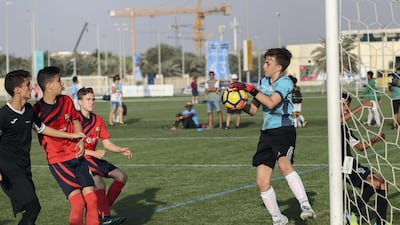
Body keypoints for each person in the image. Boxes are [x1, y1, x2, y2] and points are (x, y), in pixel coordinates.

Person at [232, 48, 316, 225]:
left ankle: (305, 205)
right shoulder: (263, 81)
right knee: (262, 181)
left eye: (267, 63)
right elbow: (254, 110)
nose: (264, 66)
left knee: (285, 165)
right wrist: (239, 104)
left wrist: (249, 89)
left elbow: (271, 102)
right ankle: (278, 219)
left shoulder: (285, 82)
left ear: (278, 67)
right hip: (266, 133)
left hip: (284, 130)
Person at [0, 70, 85, 225]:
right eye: (27, 85)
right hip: (8, 168)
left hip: (24, 167)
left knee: (31, 210)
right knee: (33, 207)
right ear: (17, 90)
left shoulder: (29, 111)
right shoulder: (3, 115)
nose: (32, 87)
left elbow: (43, 128)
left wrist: (71, 135)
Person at [32, 66, 99, 225]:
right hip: (59, 160)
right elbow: (44, 131)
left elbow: (76, 121)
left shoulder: (66, 100)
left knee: (92, 198)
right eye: (59, 80)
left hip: (77, 154)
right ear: (48, 85)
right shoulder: (37, 111)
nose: (62, 83)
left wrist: (81, 142)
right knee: (78, 203)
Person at [77, 87, 132, 225]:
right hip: (80, 160)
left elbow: (106, 144)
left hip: (94, 159)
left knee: (122, 176)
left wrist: (120, 150)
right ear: (80, 102)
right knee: (99, 181)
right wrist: (93, 152)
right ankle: (106, 217)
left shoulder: (98, 119)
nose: (92, 102)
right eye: (88, 99)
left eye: (93, 99)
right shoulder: (75, 121)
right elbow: (73, 148)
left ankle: (101, 210)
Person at [341, 93, 388, 225]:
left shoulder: (346, 127)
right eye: (345, 105)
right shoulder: (335, 122)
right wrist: (361, 106)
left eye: (348, 106)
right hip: (341, 165)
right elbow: (339, 120)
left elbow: (360, 147)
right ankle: (352, 212)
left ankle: (380, 223)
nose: (346, 108)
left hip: (351, 163)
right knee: (375, 183)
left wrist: (374, 140)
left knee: (383, 184)